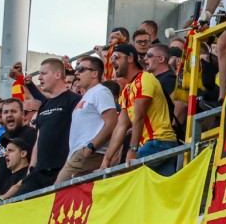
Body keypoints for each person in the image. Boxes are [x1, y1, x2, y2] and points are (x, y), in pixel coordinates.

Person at [107, 43, 179, 177]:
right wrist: (106, 161)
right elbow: (120, 127)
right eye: (111, 58)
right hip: (154, 144)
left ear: (130, 58)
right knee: (162, 186)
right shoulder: (127, 90)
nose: (112, 61)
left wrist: (132, 150)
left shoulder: (145, 79)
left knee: (123, 178)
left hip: (158, 142)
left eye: (116, 57)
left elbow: (139, 118)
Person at [57, 55, 118, 182]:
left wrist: (91, 147)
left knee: (58, 190)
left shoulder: (100, 91)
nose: (76, 73)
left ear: (94, 73)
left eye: (81, 69)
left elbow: (112, 122)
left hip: (90, 154)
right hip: (79, 154)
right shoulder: (88, 95)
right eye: (76, 69)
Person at [29, 58, 81, 189]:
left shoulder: (74, 100)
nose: (39, 78)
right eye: (39, 74)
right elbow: (39, 138)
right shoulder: (44, 105)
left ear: (58, 75)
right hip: (38, 173)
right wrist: (31, 168)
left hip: (61, 170)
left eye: (44, 73)